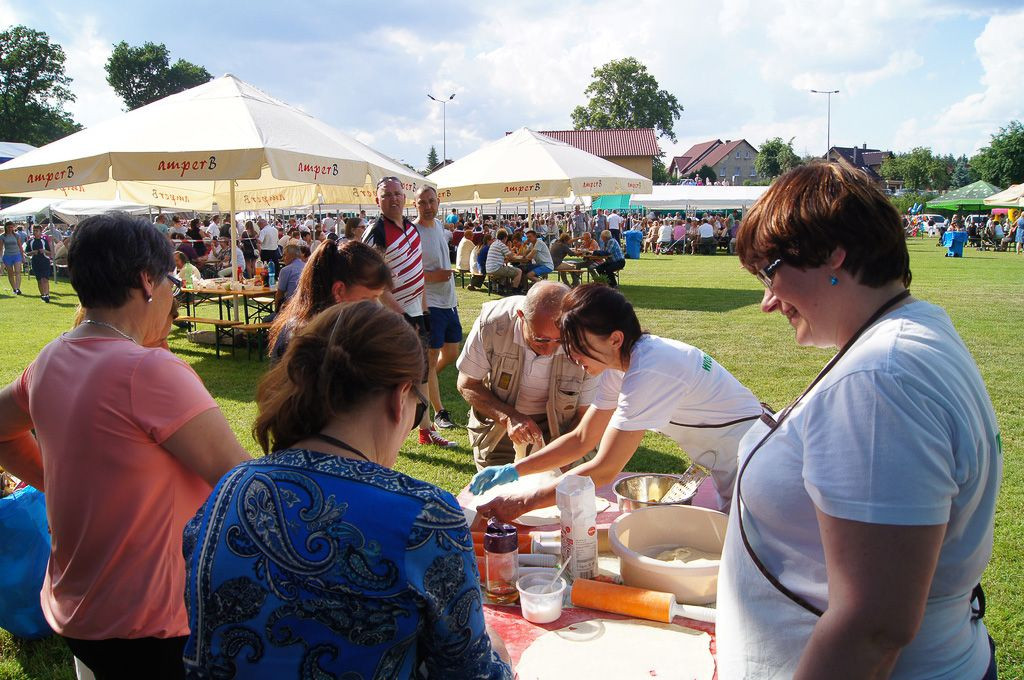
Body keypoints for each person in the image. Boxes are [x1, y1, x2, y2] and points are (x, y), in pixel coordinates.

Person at [714, 162, 1002, 679]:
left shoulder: (880, 376)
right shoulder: (906, 333)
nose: (767, 301)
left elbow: (874, 625)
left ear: (831, 253)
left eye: (769, 271)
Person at [184, 302, 512, 678]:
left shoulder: (231, 488)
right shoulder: (424, 516)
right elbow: (471, 673)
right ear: (399, 395)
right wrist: (498, 650)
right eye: (418, 407)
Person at [0, 212, 249, 679]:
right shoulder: (150, 370)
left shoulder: (51, 358)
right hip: (152, 622)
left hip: (78, 607)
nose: (176, 292)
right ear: (146, 281)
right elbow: (243, 482)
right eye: (173, 279)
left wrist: (55, 485)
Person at [471, 283, 761, 513]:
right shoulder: (618, 366)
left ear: (615, 339)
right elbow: (583, 438)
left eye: (578, 346)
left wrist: (525, 502)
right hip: (730, 459)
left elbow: (606, 469)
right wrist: (514, 470)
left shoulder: (651, 369)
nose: (572, 357)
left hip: (753, 461)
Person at [457, 281, 599, 469]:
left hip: (563, 429)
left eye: (560, 340)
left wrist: (561, 459)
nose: (549, 350)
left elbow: (585, 414)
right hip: (500, 431)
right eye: (540, 339)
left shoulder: (586, 340)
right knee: (501, 492)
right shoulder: (492, 324)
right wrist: (509, 417)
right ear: (521, 317)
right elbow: (467, 384)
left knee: (559, 492)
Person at [363, 177, 456, 448]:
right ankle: (379, 433)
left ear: (404, 198)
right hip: (390, 317)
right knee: (392, 377)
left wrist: (424, 312)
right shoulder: (376, 233)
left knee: (423, 373)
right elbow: (374, 283)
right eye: (387, 194)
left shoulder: (411, 231)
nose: (393, 199)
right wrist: (401, 315)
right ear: (377, 200)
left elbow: (418, 278)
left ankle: (426, 429)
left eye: (397, 193)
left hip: (416, 312)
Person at [268, 239, 392, 360]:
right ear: (338, 291)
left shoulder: (341, 330)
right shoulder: (315, 344)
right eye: (368, 299)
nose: (378, 307)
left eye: (378, 298)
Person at [414, 185, 462, 431]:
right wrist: (434, 277)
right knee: (432, 360)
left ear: (438, 202)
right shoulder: (413, 232)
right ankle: (439, 411)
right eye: (422, 202)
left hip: (449, 301)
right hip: (430, 303)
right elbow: (407, 272)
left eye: (431, 201)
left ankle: (422, 382)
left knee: (451, 354)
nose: (428, 206)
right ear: (415, 205)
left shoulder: (441, 228)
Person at [273, 243, 304, 311]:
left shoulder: (286, 270)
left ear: (292, 256)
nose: (283, 258)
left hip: (291, 309)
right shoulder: (307, 267)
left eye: (284, 255)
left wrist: (276, 311)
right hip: (306, 307)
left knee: (267, 319)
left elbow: (279, 294)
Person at [26, 225, 52, 302]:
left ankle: (47, 294)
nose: (35, 232)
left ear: (41, 232)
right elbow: (27, 253)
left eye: (37, 231)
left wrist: (44, 251)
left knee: (45, 279)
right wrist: (32, 252)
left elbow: (50, 253)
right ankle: (42, 294)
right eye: (34, 231)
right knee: (39, 279)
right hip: (35, 261)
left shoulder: (44, 241)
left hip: (45, 261)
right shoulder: (30, 241)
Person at [2, 221, 23, 294]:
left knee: (17, 272)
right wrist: (0, 258)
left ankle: (18, 288)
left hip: (16, 254)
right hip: (7, 255)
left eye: (11, 227)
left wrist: (22, 256)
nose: (10, 229)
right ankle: (14, 288)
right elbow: (1, 248)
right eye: (8, 227)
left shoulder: (16, 235)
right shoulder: (2, 236)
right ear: (6, 228)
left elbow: (20, 246)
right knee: (10, 273)